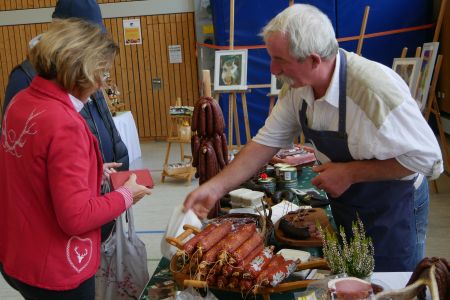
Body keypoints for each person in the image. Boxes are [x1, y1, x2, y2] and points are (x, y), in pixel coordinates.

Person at [184, 4, 443, 272]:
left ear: (314, 60)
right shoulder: (298, 89)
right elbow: (264, 143)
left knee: (390, 285)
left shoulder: (374, 92)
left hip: (393, 208)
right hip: (349, 205)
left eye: (280, 60)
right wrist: (215, 188)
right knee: (352, 277)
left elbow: (430, 161)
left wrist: (350, 173)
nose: (273, 69)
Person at [0, 18, 152, 300]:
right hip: (56, 268)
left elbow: (33, 171)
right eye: (101, 73)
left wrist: (91, 170)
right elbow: (76, 217)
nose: (101, 83)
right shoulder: (65, 123)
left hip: (19, 255)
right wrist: (126, 195)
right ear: (83, 73)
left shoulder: (21, 101)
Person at [2, 0, 130, 241]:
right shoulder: (28, 85)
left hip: (92, 197)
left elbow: (103, 120)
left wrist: (98, 172)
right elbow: (25, 162)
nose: (100, 83)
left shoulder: (77, 77)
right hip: (59, 233)